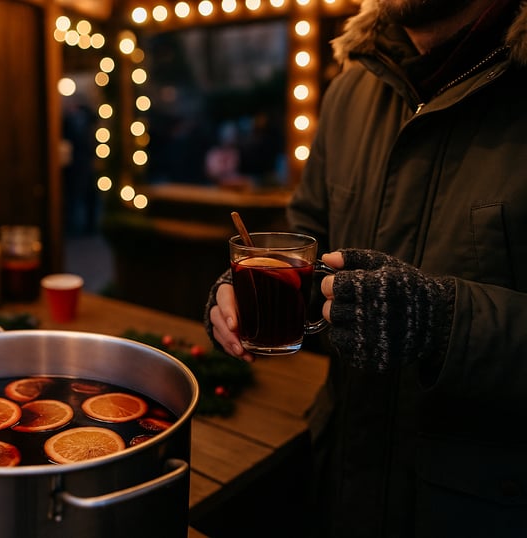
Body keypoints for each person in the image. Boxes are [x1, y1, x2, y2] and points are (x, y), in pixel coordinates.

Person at [204, 0, 527, 536]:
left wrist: (443, 322)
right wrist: (245, 292)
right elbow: (308, 236)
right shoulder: (350, 91)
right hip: (341, 483)